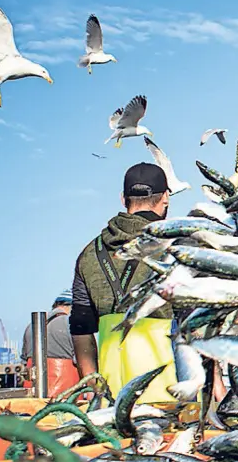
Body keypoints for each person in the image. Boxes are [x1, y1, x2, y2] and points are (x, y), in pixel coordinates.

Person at [70, 163, 178, 402]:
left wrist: (91, 386)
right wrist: (217, 383)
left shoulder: (90, 253)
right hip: (172, 395)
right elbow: (197, 322)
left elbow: (81, 328)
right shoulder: (178, 247)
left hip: (113, 399)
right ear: (166, 198)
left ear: (123, 199)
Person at [21, 290, 79, 397]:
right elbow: (82, 360)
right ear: (72, 306)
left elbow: (24, 361)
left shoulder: (31, 326)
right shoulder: (72, 324)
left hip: (31, 396)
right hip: (65, 397)